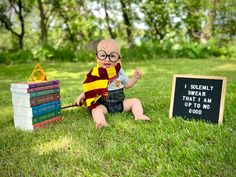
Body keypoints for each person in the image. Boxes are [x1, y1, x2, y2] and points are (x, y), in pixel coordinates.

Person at [74, 39, 150, 129]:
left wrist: (134, 78)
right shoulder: (95, 73)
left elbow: (127, 85)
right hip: (104, 105)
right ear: (97, 57)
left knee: (136, 101)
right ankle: (101, 122)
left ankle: (139, 115)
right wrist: (81, 97)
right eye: (103, 55)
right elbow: (90, 89)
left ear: (118, 59)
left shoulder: (120, 72)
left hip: (120, 104)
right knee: (96, 109)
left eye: (112, 56)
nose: (107, 59)